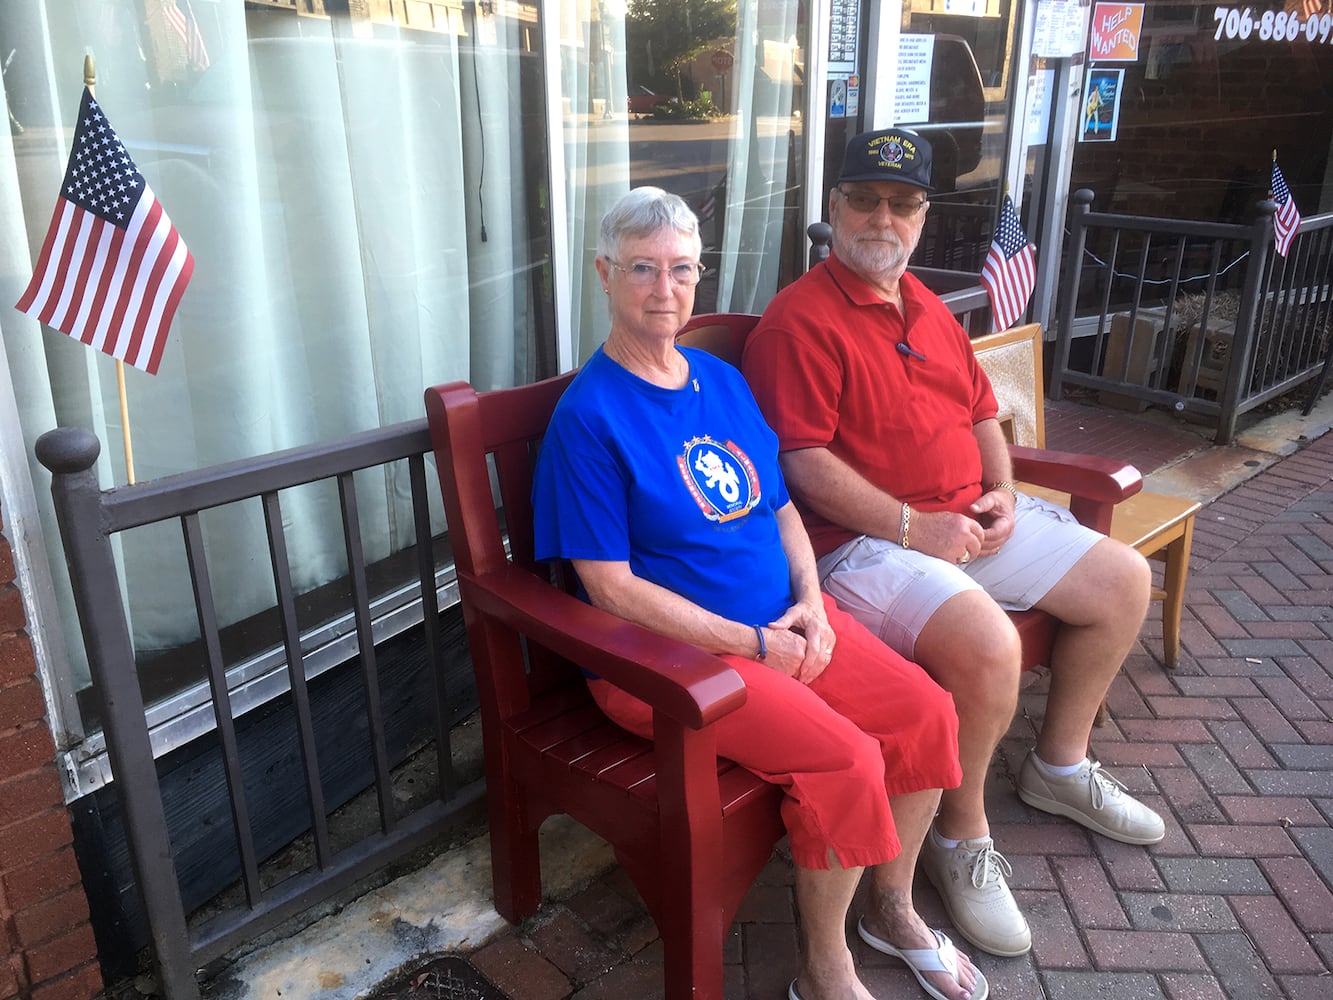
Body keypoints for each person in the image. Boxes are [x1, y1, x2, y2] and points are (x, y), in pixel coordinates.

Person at [533, 186, 987, 1000]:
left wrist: (811, 602)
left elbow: (779, 507)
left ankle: (890, 907)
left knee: (927, 714)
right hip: (670, 664)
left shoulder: (716, 380)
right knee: (845, 761)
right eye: (641, 268)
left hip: (784, 626)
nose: (662, 289)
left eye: (679, 269)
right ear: (604, 274)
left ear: (698, 278)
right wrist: (750, 644)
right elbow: (606, 587)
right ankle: (824, 969)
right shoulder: (590, 417)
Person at [742, 129, 1165, 959]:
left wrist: (1002, 492)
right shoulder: (799, 321)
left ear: (923, 217)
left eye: (902, 204)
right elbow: (799, 462)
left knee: (1120, 579)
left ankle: (1058, 766)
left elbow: (981, 413)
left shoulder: (925, 304)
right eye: (863, 199)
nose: (882, 218)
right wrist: (912, 525)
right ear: (832, 209)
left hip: (959, 521)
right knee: (986, 643)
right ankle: (959, 837)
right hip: (855, 544)